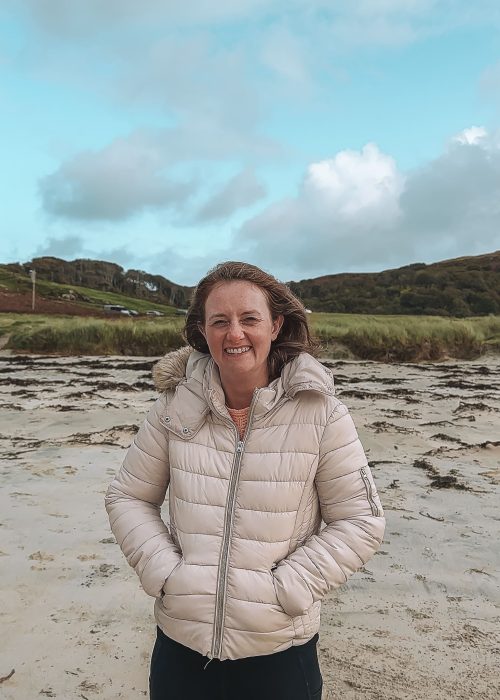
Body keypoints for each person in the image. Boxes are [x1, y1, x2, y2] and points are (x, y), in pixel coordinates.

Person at [105, 261, 385, 700]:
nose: (234, 334)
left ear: (276, 325)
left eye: (249, 319)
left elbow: (361, 520)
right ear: (203, 331)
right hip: (181, 648)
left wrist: (287, 589)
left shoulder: (322, 412)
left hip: (280, 652)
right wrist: (167, 574)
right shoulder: (172, 409)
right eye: (220, 321)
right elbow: (128, 496)